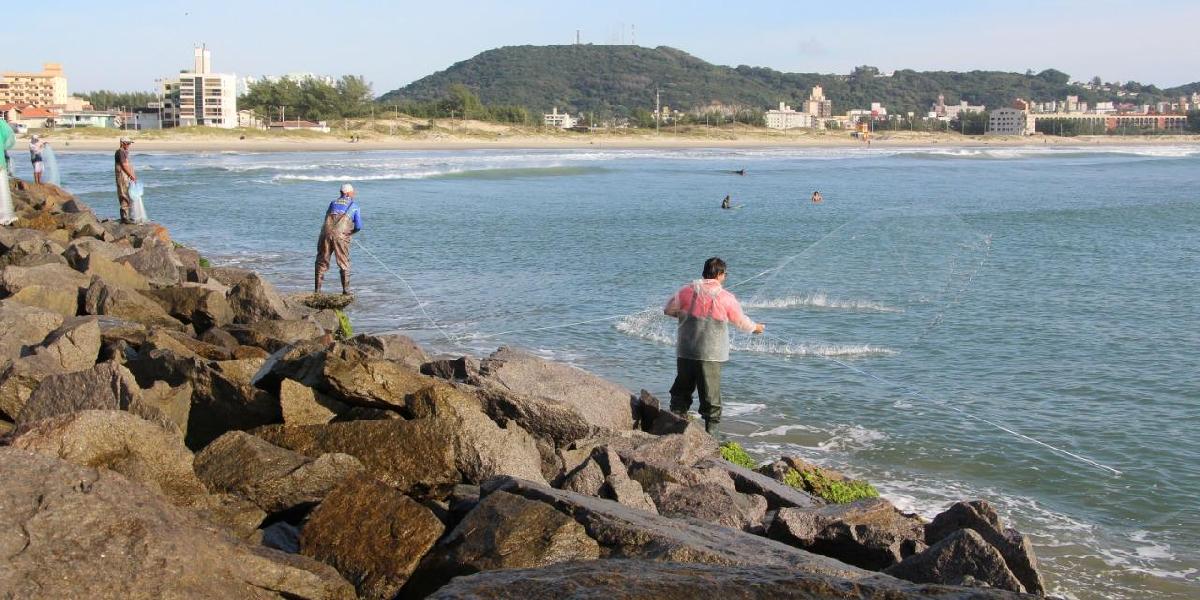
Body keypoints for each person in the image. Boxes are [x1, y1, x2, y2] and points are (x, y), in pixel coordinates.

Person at [663, 257, 763, 437]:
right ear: (719, 274)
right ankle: (712, 436)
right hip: (711, 354)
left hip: (686, 352)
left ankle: (674, 429)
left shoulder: (686, 291)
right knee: (710, 396)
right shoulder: (725, 297)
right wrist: (757, 328)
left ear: (704, 273)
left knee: (681, 390)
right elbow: (741, 321)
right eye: (724, 274)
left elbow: (668, 310)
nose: (725, 277)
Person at [315, 183, 363, 295]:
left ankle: (317, 291)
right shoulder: (354, 206)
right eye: (352, 192)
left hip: (325, 234)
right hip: (341, 236)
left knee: (321, 261)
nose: (354, 193)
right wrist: (351, 233)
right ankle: (346, 291)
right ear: (347, 193)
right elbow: (359, 226)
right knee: (343, 262)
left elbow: (327, 219)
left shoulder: (332, 203)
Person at [114, 137, 136, 223]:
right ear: (122, 143)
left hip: (127, 177)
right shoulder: (120, 152)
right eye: (128, 143)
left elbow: (129, 165)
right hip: (122, 177)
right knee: (123, 195)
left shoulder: (125, 152)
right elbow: (123, 165)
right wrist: (131, 175)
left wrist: (133, 175)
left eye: (129, 143)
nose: (129, 145)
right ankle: (125, 217)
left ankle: (129, 216)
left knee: (129, 195)